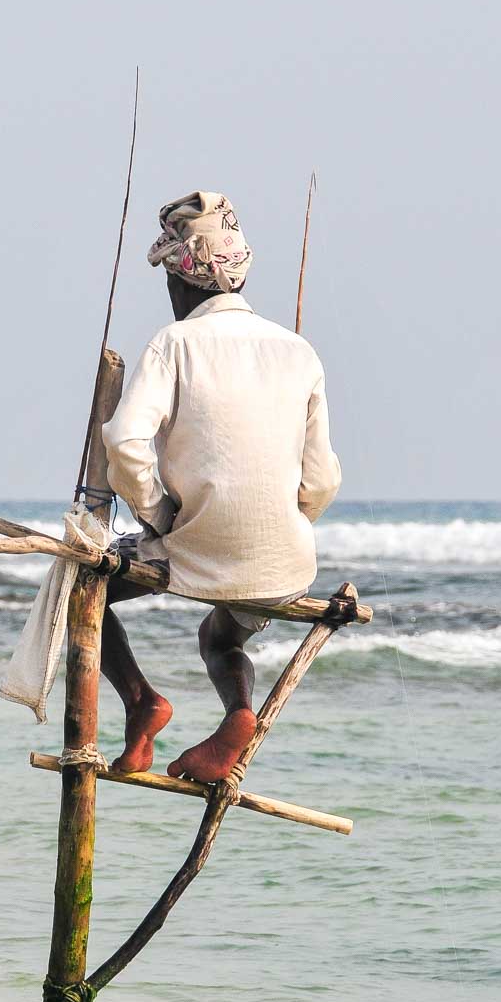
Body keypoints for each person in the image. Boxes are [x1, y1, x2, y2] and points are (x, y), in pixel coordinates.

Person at [101, 191, 341, 783]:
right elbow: (322, 480)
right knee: (220, 638)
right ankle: (238, 713)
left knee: (79, 588)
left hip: (193, 547)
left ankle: (141, 701)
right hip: (281, 559)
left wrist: (158, 516)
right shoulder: (299, 351)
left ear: (180, 281)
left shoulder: (173, 343)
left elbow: (124, 444)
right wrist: (279, 522)